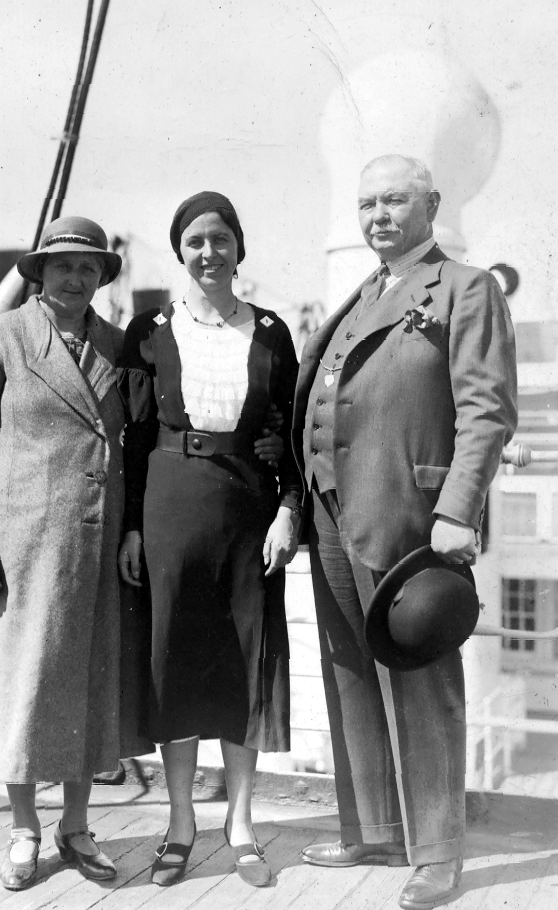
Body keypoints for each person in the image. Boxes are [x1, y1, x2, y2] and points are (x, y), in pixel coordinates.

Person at [293, 156, 517, 909]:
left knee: (420, 673)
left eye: (393, 200)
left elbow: (487, 410)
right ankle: (375, 829)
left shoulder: (466, 288)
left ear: (431, 204)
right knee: (350, 671)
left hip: (411, 513)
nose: (378, 216)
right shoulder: (363, 294)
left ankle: (439, 853)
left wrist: (457, 509)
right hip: (331, 509)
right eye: (366, 204)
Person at [0, 215, 153, 891]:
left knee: (88, 687)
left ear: (101, 277)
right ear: (39, 273)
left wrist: (131, 529)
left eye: (88, 267)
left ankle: (76, 826)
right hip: (22, 552)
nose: (76, 277)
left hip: (97, 545)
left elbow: (135, 447)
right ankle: (23, 829)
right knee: (24, 688)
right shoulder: (0, 337)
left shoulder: (119, 346)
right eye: (63, 265)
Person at [118, 191, 302, 888]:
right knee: (175, 658)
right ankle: (179, 825)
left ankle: (242, 824)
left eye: (220, 238)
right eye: (195, 241)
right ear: (180, 251)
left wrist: (288, 511)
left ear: (238, 246)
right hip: (169, 504)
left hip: (248, 509)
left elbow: (291, 434)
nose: (208, 252)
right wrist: (133, 526)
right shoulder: (149, 329)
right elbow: (135, 438)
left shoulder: (272, 332)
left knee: (243, 659)